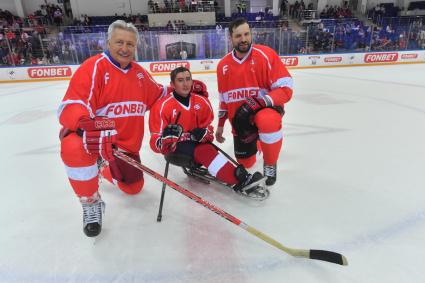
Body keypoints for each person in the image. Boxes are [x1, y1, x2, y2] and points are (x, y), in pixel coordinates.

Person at [58, 20, 167, 237]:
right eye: (119, 42)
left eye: (130, 44)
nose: (125, 49)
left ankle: (102, 168)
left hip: (124, 148)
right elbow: (70, 106)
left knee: (134, 188)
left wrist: (183, 91)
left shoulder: (139, 74)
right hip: (96, 143)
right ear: (108, 42)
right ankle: (91, 203)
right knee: (72, 146)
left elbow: (159, 95)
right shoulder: (94, 67)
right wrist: (83, 124)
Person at [149, 67, 267, 198]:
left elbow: (208, 131)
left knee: (208, 150)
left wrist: (205, 133)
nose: (186, 84)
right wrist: (165, 141)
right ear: (172, 85)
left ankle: (238, 175)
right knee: (205, 151)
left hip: (197, 144)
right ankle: (241, 180)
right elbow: (154, 140)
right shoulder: (162, 106)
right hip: (175, 149)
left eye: (188, 79)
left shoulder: (201, 101)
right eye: (180, 80)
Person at [215, 18, 293, 186]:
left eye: (246, 34)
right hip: (241, 124)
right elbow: (223, 100)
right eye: (238, 36)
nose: (243, 39)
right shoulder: (223, 66)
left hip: (265, 111)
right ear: (231, 38)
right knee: (246, 163)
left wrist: (261, 102)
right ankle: (259, 142)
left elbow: (286, 89)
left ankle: (270, 162)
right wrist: (221, 124)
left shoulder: (266, 54)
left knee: (267, 120)